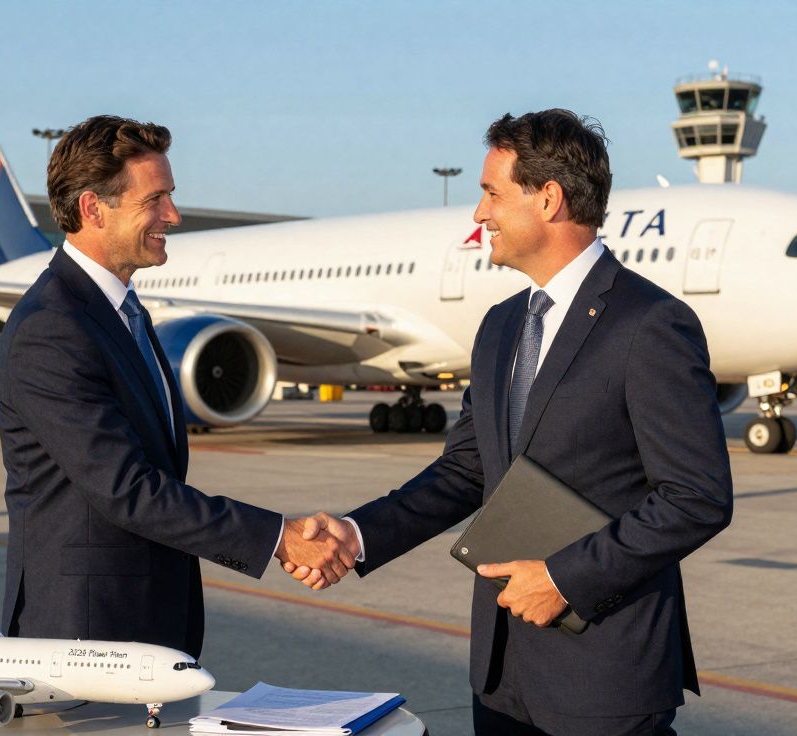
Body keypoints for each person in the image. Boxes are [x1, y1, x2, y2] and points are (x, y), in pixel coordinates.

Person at [291, 110, 734, 735]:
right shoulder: (502, 325)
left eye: (492, 193)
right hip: (502, 673)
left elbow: (696, 497)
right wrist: (358, 533)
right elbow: (467, 471)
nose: (479, 214)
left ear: (548, 199)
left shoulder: (650, 324)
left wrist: (563, 578)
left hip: (604, 673)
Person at [0, 115, 352, 658]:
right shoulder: (52, 328)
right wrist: (279, 538)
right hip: (84, 631)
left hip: (145, 619)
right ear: (93, 208)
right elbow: (127, 489)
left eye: (170, 196)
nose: (173, 215)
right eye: (154, 199)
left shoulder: (123, 313)